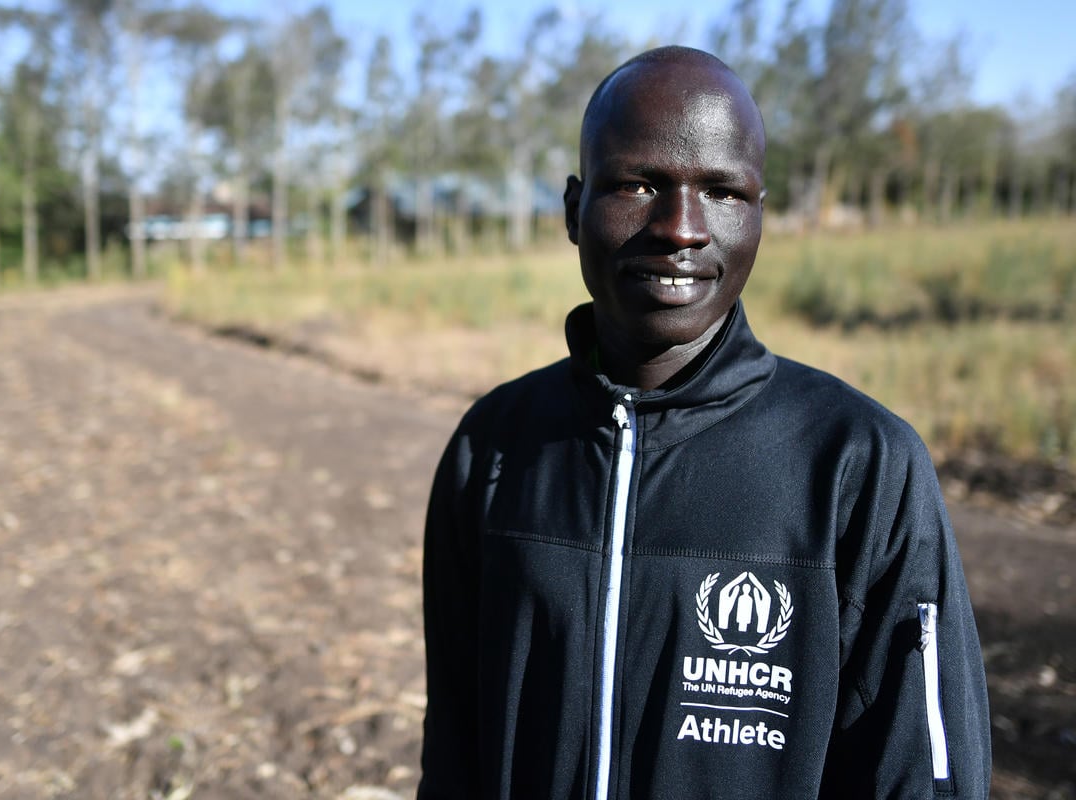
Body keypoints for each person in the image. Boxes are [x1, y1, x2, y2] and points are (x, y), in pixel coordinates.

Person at [418, 46, 991, 799]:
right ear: (571, 208)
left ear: (759, 213)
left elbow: (922, 774)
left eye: (723, 192)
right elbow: (456, 748)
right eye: (638, 183)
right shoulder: (494, 447)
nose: (681, 228)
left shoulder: (857, 464)